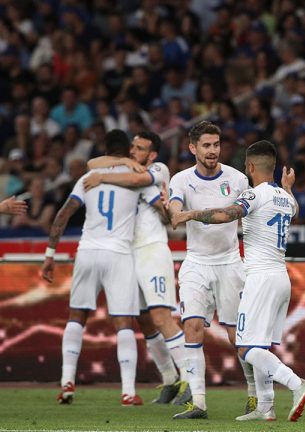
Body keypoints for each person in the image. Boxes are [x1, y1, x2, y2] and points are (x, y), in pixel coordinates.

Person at [171, 140, 305, 422]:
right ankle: (265, 406)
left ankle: (298, 384)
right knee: (259, 345)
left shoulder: (254, 195)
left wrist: (190, 214)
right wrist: (287, 187)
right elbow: (294, 212)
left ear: (249, 167)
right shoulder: (286, 197)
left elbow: (227, 214)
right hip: (281, 278)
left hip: (260, 278)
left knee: (247, 347)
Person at [41, 130, 163, 406]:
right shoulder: (137, 178)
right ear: (127, 151)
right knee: (123, 322)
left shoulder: (88, 178)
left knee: (76, 316)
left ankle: (67, 383)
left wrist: (49, 254)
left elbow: (62, 215)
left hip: (87, 252)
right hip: (119, 254)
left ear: (105, 149)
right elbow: (162, 209)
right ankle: (128, 392)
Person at [79, 131, 191, 405]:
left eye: (140, 148)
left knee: (162, 316)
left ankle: (191, 380)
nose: (133, 151)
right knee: (143, 320)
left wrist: (104, 177)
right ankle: (169, 379)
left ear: (152, 155)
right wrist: (118, 166)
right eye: (132, 146)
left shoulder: (158, 169)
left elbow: (137, 179)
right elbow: (91, 164)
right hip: (127, 254)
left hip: (151, 251)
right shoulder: (125, 166)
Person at [166, 121, 250, 420]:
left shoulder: (238, 178)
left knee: (237, 336)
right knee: (192, 326)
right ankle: (198, 402)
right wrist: (178, 213)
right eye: (206, 146)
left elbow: (250, 213)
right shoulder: (181, 179)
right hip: (196, 262)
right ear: (193, 148)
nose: (212, 151)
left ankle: (254, 396)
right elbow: (174, 212)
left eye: (216, 145)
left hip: (230, 263)